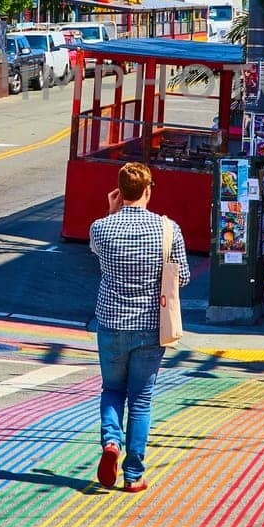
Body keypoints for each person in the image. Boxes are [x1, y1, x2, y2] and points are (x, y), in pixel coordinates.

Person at [88, 162, 190, 493]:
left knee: (112, 390)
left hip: (111, 324)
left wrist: (109, 212)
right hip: (150, 326)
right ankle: (134, 475)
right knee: (141, 400)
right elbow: (183, 277)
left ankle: (111, 443)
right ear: (148, 190)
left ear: (119, 191)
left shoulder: (101, 228)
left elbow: (97, 257)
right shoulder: (168, 229)